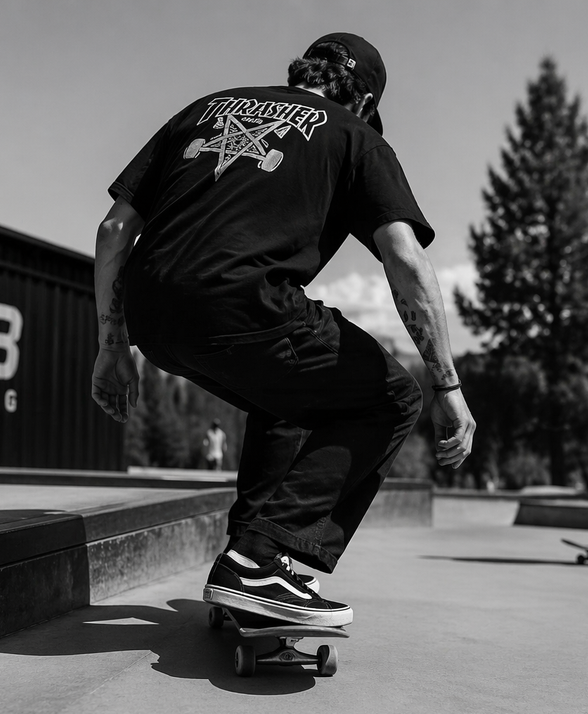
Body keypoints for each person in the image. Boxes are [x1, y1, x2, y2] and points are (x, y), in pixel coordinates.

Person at [90, 32, 475, 627]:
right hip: (244, 307)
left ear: (303, 71)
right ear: (365, 102)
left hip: (151, 314)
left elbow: (114, 230)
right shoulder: (356, 136)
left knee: (288, 398)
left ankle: (248, 560)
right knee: (393, 397)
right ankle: (257, 560)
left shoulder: (205, 108)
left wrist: (112, 345)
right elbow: (404, 259)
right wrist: (446, 385)